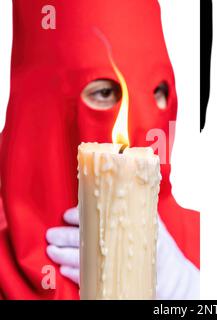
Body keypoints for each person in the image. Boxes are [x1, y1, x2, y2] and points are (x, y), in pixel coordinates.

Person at [0, 0, 199, 299]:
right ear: (38, 109)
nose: (146, 124)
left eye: (158, 91)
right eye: (105, 92)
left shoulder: (199, 247)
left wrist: (180, 289)